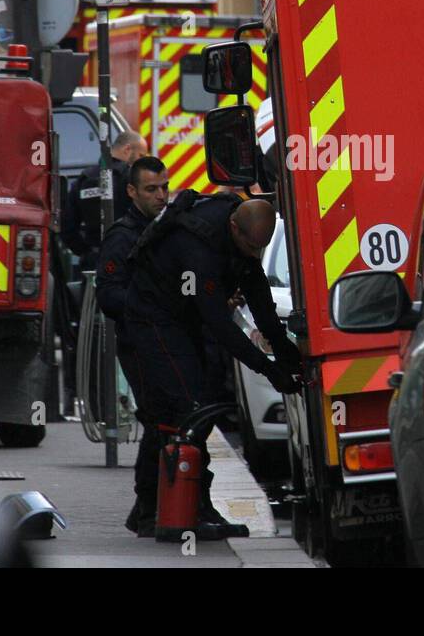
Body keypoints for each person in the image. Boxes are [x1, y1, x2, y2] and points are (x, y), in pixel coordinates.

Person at [122, 195, 303, 539]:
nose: (253, 256)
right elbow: (220, 326)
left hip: (182, 319)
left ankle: (153, 509)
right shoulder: (198, 249)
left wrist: (286, 351)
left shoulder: (240, 238)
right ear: (234, 227)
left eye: (259, 250)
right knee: (186, 409)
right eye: (250, 247)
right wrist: (268, 369)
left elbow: (260, 297)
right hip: (152, 320)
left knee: (190, 406)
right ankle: (182, 509)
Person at [94, 157, 170, 536]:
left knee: (166, 420)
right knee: (157, 419)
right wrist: (149, 306)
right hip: (138, 343)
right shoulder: (123, 236)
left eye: (163, 188)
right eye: (151, 190)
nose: (160, 196)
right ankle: (146, 507)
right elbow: (109, 295)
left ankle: (149, 509)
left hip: (163, 341)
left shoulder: (165, 228)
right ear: (131, 192)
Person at [63, 130, 148, 271]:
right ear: (127, 149)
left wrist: (86, 252)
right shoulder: (131, 179)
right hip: (126, 262)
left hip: (93, 263)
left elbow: (67, 226)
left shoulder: (84, 179)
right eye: (141, 156)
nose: (141, 162)